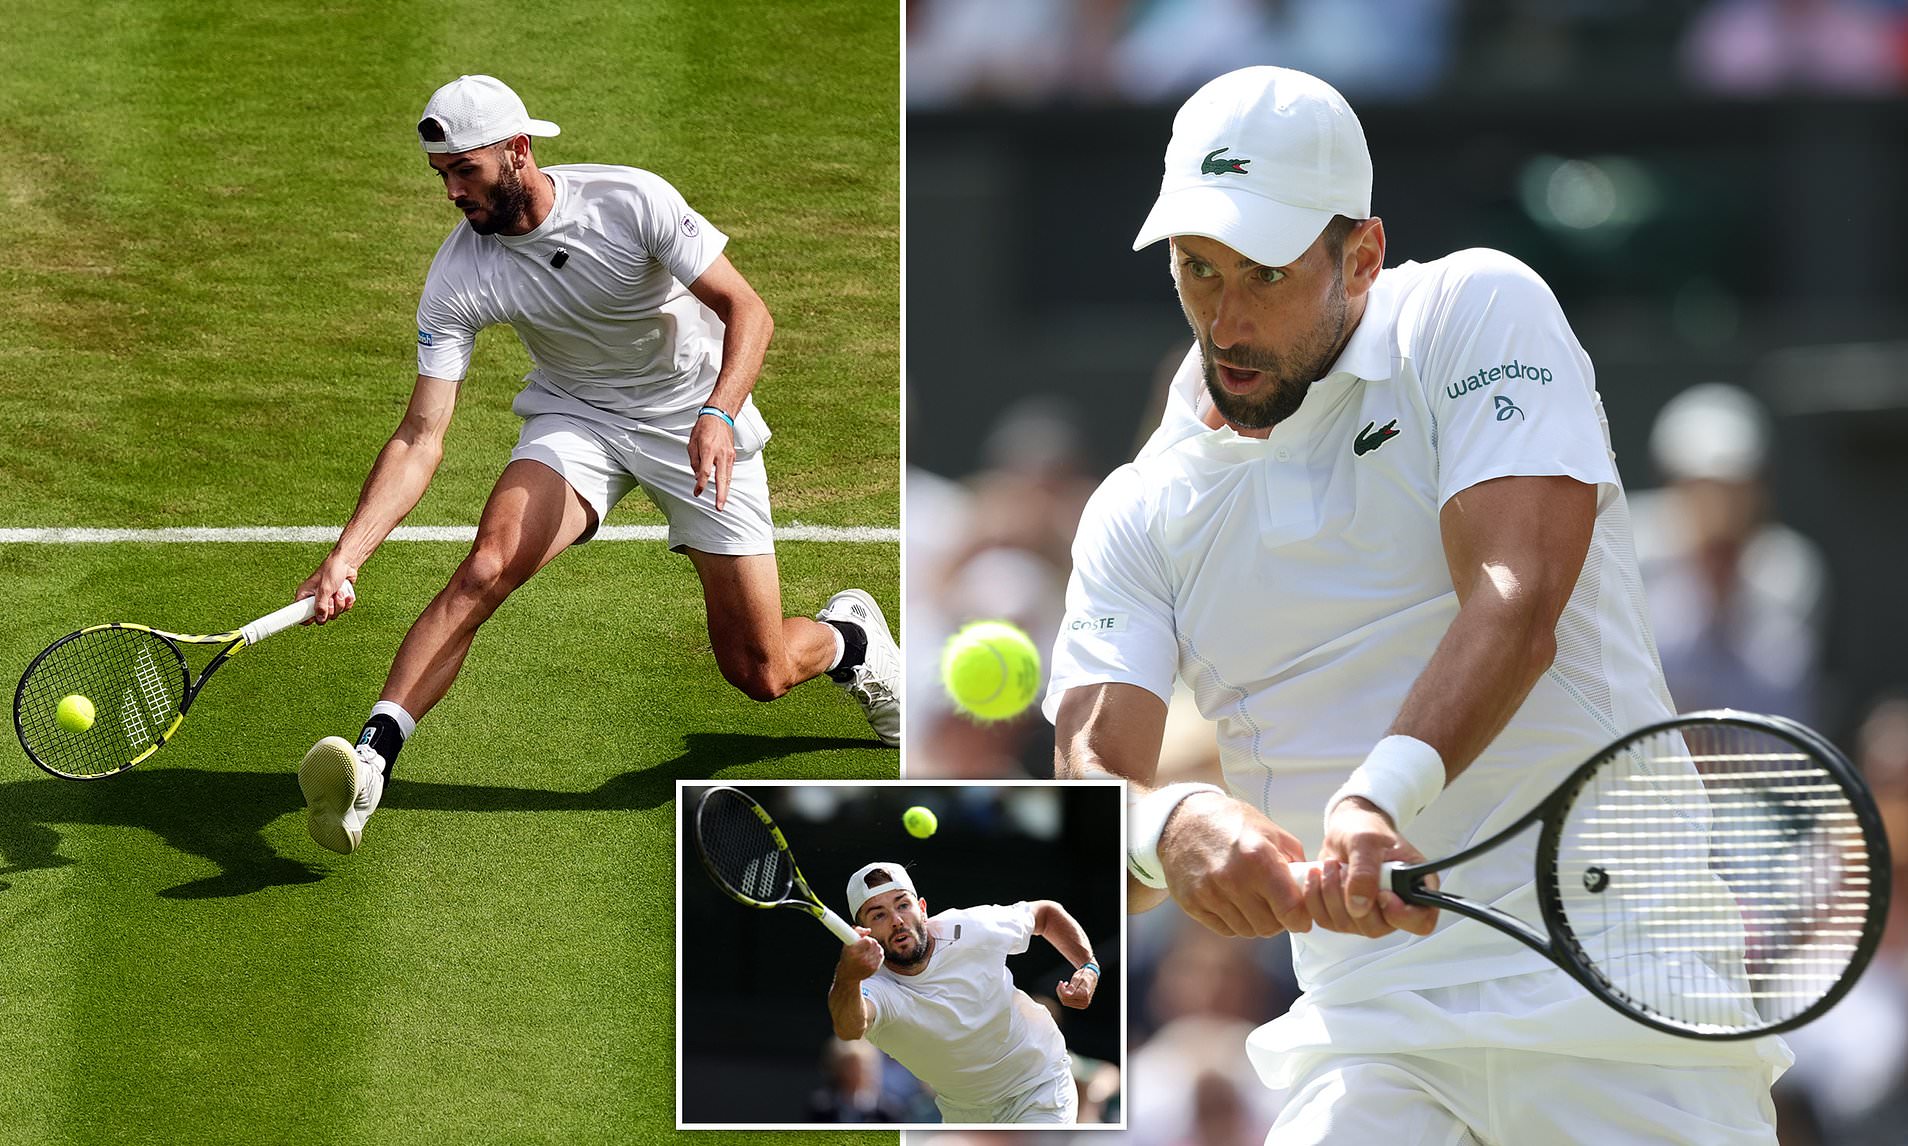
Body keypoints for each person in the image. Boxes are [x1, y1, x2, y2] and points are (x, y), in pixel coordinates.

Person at [1046, 66, 1788, 1143]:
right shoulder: (1139, 509)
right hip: (1373, 1038)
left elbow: (1517, 598)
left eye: (1264, 272)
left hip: (1630, 1003)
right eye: (1197, 270)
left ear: (1363, 255)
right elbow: (1093, 781)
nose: (1227, 316)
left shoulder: (1475, 311)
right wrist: (1166, 826)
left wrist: (1373, 800)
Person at [293, 75, 899, 854]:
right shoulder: (459, 274)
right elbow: (421, 434)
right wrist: (349, 553)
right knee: (486, 567)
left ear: (517, 152)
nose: (450, 192)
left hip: (694, 418)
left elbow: (749, 310)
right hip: (578, 418)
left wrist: (717, 413)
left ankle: (851, 641)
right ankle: (373, 760)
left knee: (761, 671)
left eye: (464, 171)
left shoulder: (630, 201)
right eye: (440, 175)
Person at [827, 862, 1100, 1125]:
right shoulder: (871, 986)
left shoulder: (972, 927)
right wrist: (849, 975)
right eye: (879, 915)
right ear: (864, 933)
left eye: (903, 905)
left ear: (922, 909)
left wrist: (1088, 967)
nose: (897, 920)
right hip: (964, 1113)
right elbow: (849, 1027)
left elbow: (1045, 914)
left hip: (1038, 1087)